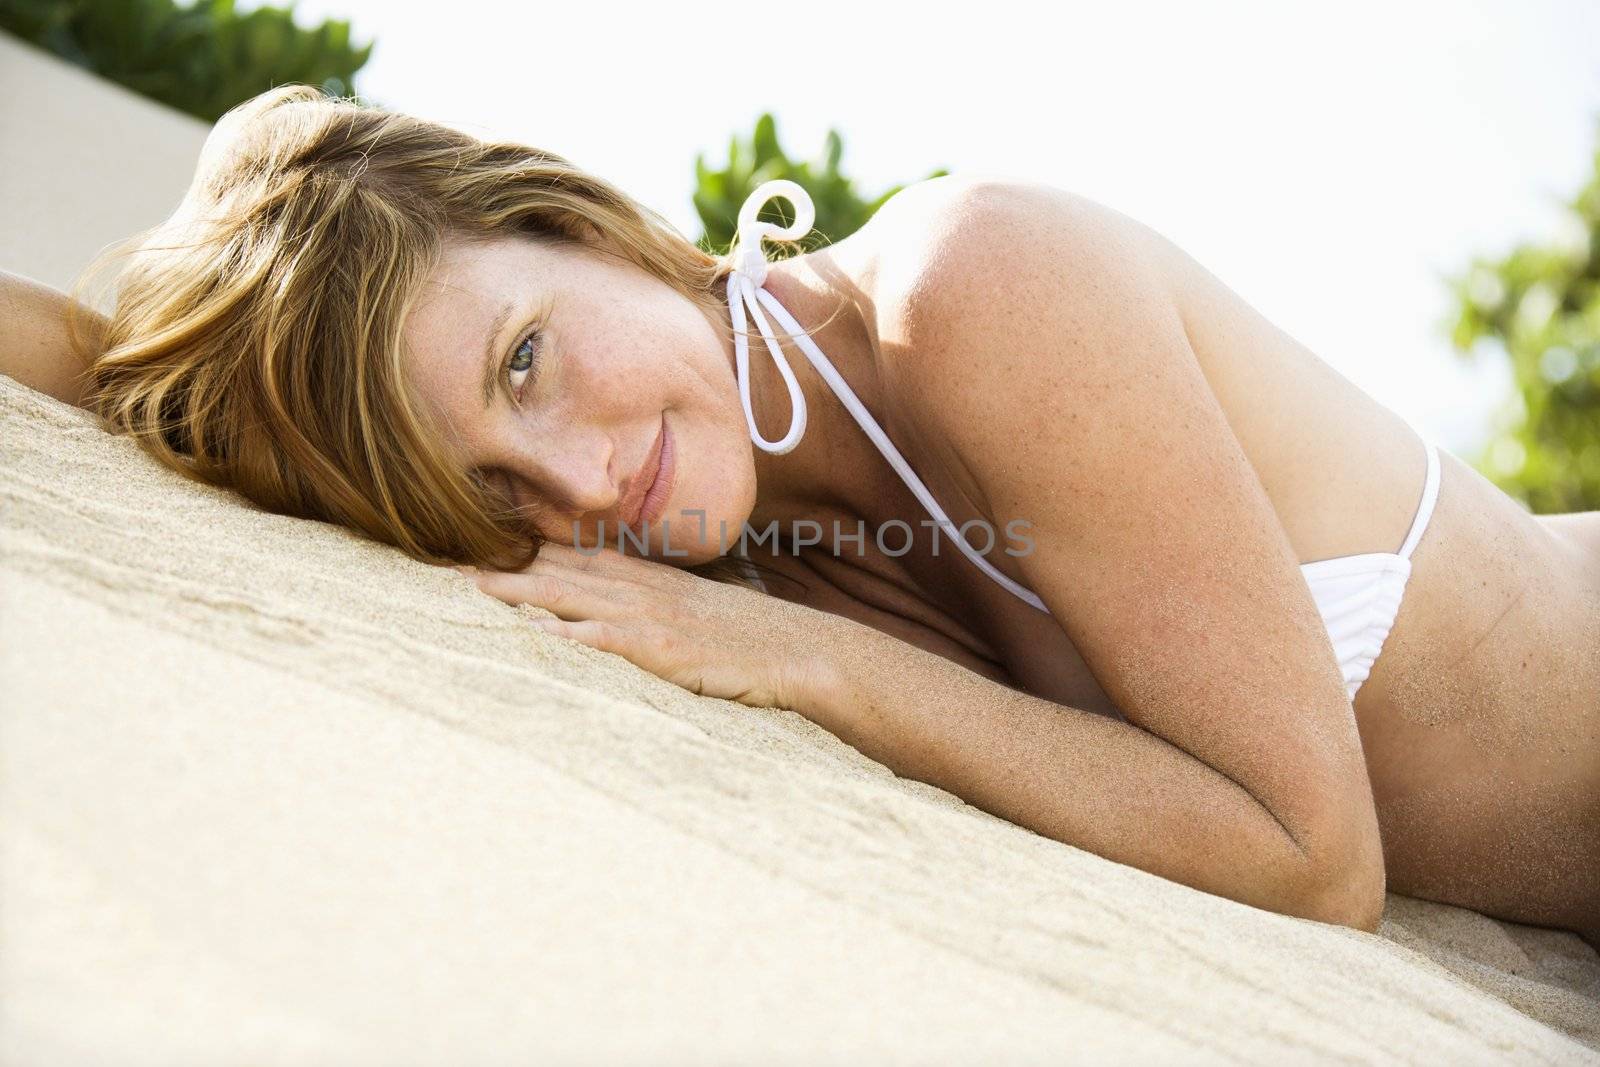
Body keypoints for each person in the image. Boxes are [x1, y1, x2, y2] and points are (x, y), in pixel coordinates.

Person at [6, 86, 1596, 946]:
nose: (576, 484)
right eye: (492, 488)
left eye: (530, 360)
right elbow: (153, 382)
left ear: (578, 225)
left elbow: (1314, 859)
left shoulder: (982, 289)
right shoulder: (741, 524)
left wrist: (815, 667)